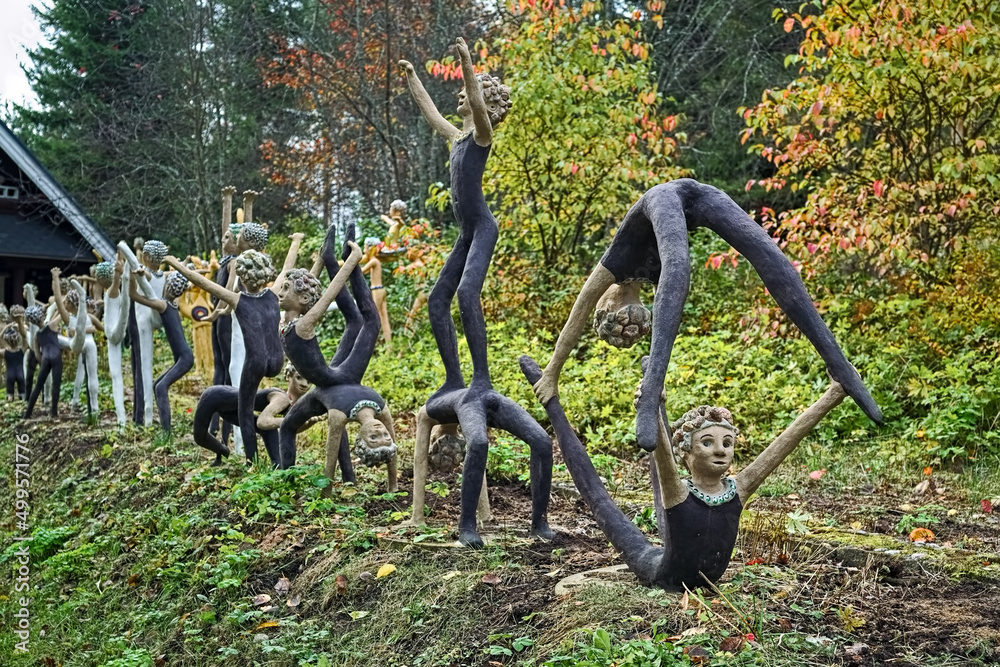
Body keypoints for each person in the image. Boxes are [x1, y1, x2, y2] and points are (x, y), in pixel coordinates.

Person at [530, 179, 883, 454]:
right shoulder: (636, 284)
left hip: (664, 198)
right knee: (769, 256)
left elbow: (580, 308)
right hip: (698, 197)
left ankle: (650, 391)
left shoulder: (614, 266)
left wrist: (553, 371)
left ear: (606, 309)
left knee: (681, 268)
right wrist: (552, 373)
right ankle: (839, 364)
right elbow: (650, 310)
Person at [400, 39, 551, 548]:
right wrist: (412, 78)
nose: (462, 100)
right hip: (464, 233)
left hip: (482, 227)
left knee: (466, 295)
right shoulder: (457, 137)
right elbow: (430, 114)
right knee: (437, 300)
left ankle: (481, 379)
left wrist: (467, 61)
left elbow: (477, 105)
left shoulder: (482, 135)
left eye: (468, 92)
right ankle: (455, 375)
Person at [521, 354, 847, 590]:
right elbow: (661, 452)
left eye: (727, 442)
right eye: (708, 442)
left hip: (701, 574)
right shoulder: (678, 490)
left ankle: (652, 372)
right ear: (687, 454)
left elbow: (783, 443)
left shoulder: (739, 487)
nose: (721, 450)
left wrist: (832, 395)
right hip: (662, 572)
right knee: (598, 495)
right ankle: (551, 402)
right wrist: (649, 404)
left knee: (663, 504)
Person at [164, 249, 286, 462]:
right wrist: (295, 244)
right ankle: (277, 458)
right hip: (277, 360)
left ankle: (253, 463)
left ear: (243, 277)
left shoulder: (238, 299)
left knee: (244, 414)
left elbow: (202, 282)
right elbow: (286, 270)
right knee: (245, 406)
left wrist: (175, 263)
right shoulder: (273, 294)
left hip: (255, 362)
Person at [129, 268, 193, 432]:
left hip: (184, 358)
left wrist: (131, 276)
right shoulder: (174, 303)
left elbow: (134, 296)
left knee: (160, 387)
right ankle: (165, 428)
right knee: (157, 384)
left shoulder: (163, 304)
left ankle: (167, 433)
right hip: (184, 357)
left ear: (167, 287)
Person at [90, 255, 130, 425]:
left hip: (114, 333)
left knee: (116, 375)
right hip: (112, 335)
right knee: (115, 375)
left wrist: (118, 274)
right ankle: (121, 418)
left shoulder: (113, 291)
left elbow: (114, 285)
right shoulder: (109, 293)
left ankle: (122, 419)